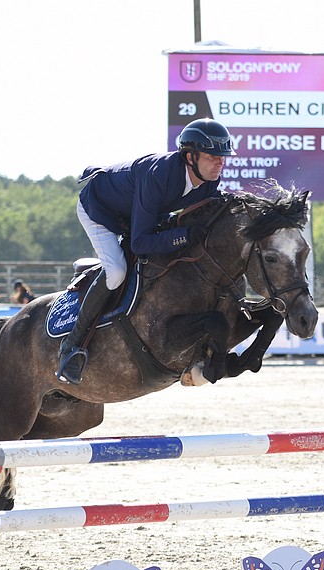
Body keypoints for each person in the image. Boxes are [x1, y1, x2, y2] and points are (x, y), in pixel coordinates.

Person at [55, 118, 235, 385]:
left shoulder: (209, 181)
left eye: (222, 156)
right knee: (116, 272)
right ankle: (71, 347)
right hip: (100, 211)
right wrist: (184, 235)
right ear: (190, 156)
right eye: (212, 156)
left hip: (137, 216)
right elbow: (140, 243)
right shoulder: (159, 174)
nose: (219, 162)